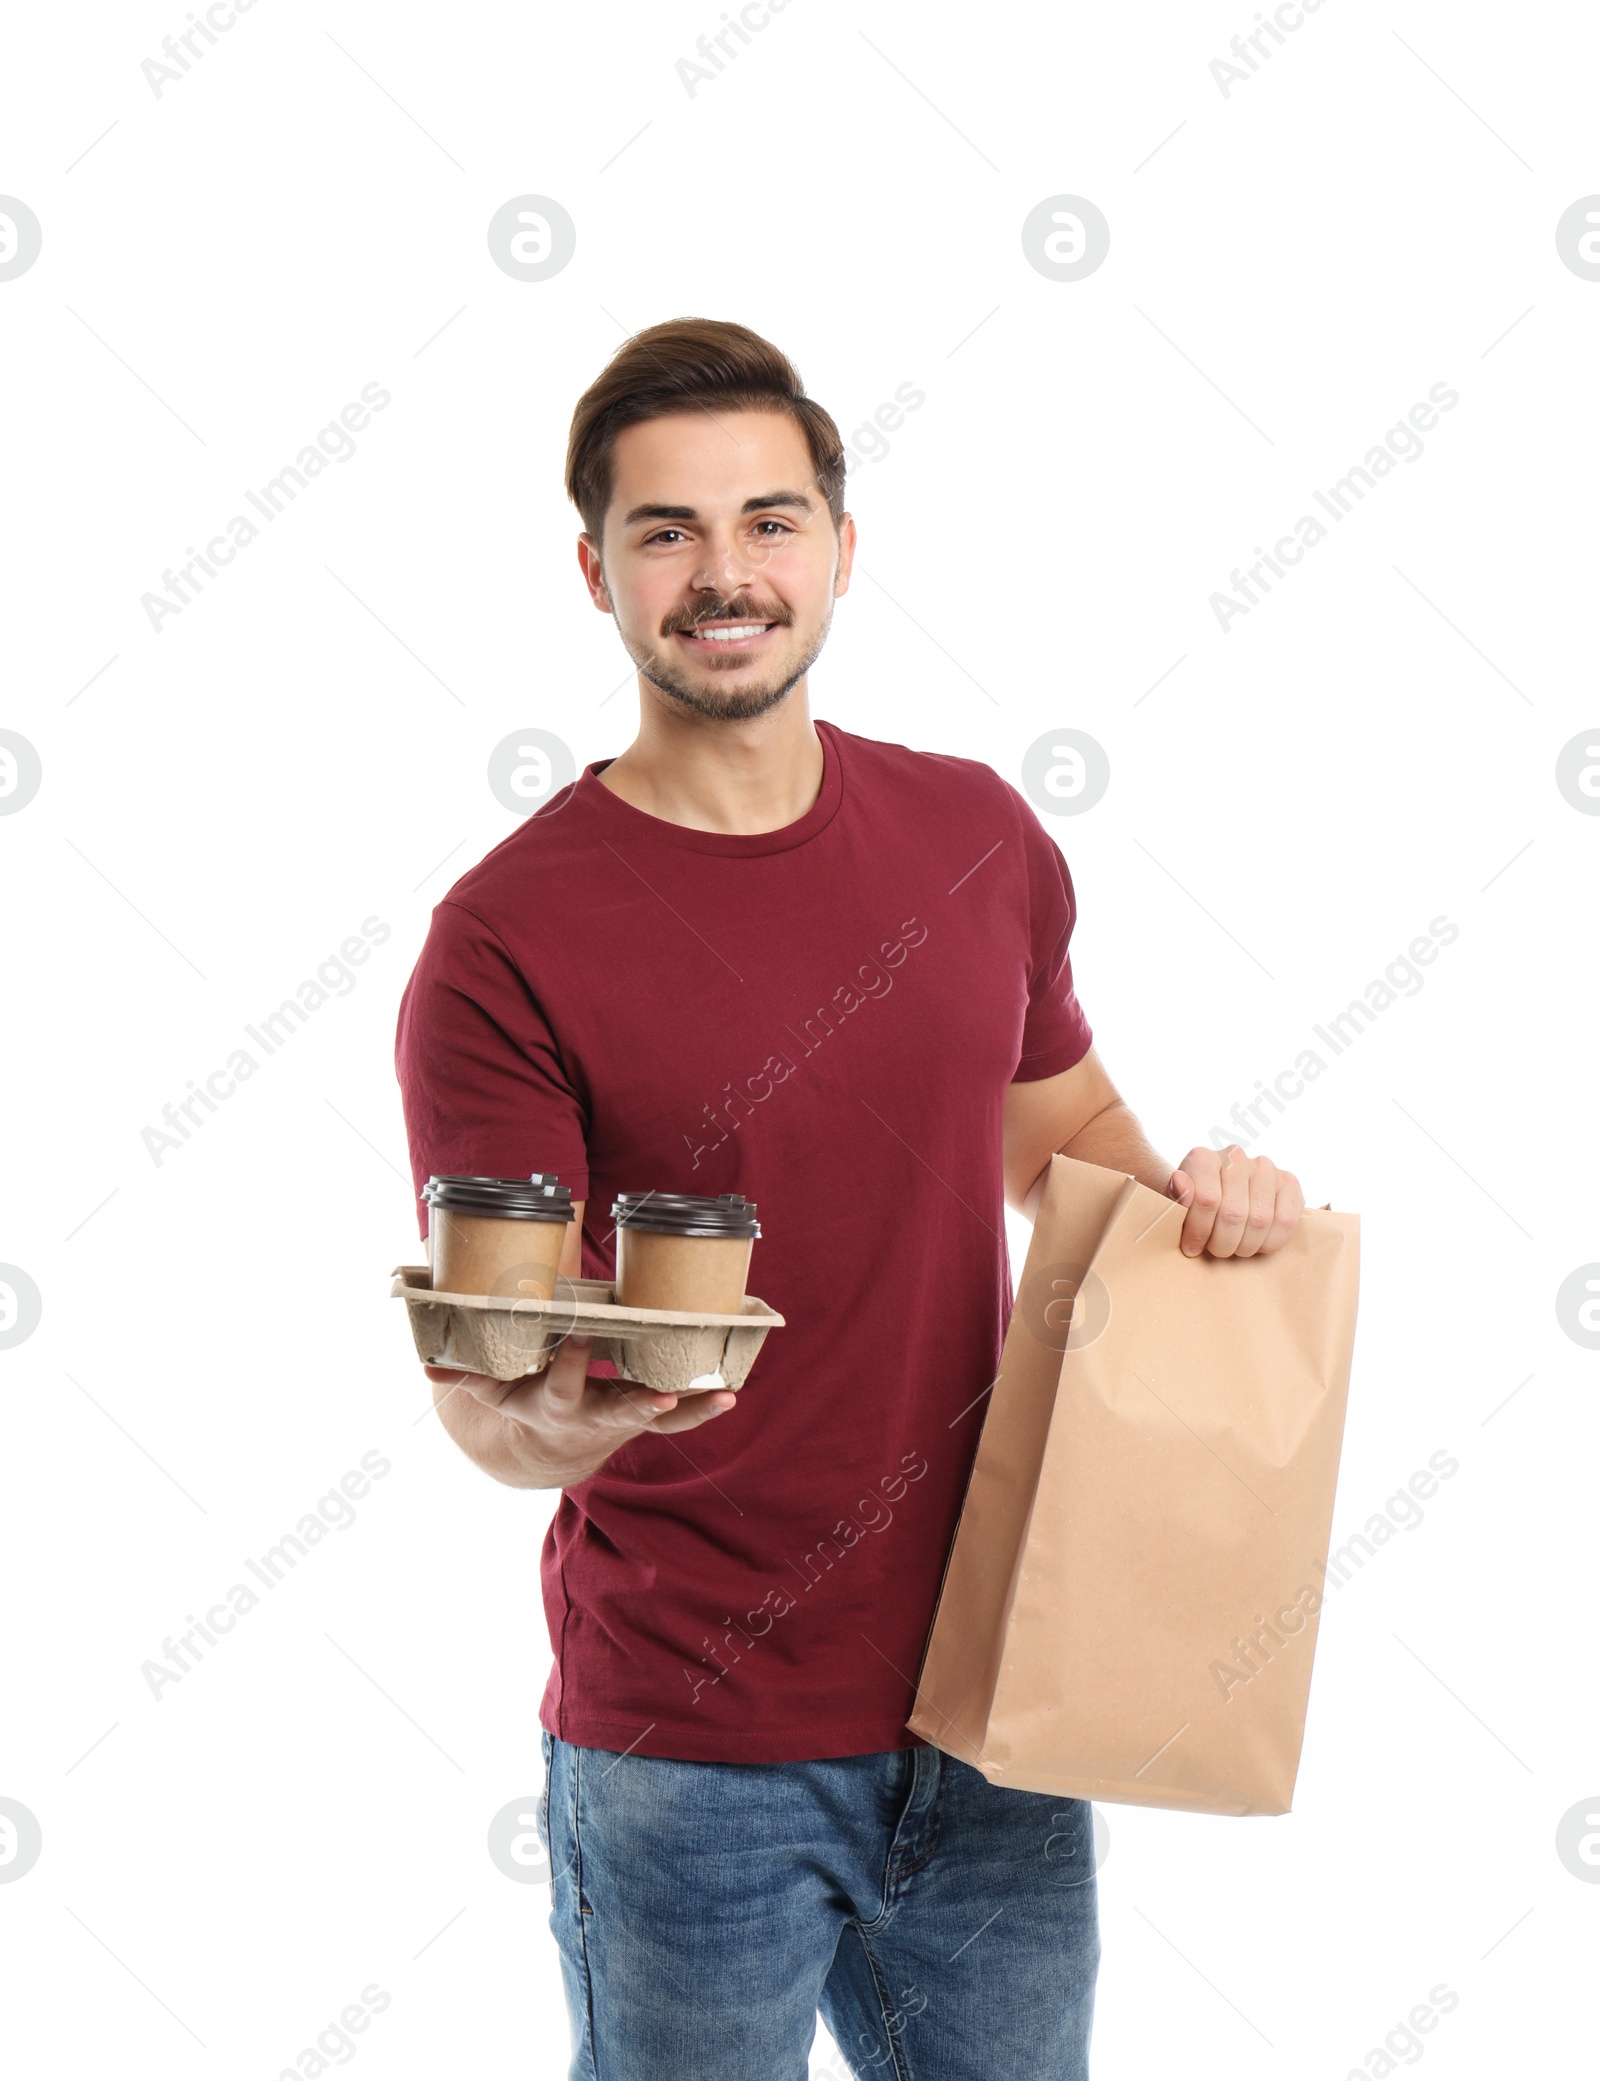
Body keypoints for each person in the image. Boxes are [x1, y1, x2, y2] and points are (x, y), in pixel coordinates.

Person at [393, 317, 1305, 2081]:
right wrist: (550, 1421)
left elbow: (1066, 1138)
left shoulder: (977, 839)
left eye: (770, 518)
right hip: (686, 1746)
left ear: (840, 547)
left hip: (998, 1706)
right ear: (594, 569)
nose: (725, 572)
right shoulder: (505, 939)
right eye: (666, 531)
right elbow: (491, 1384)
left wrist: (1211, 1206)